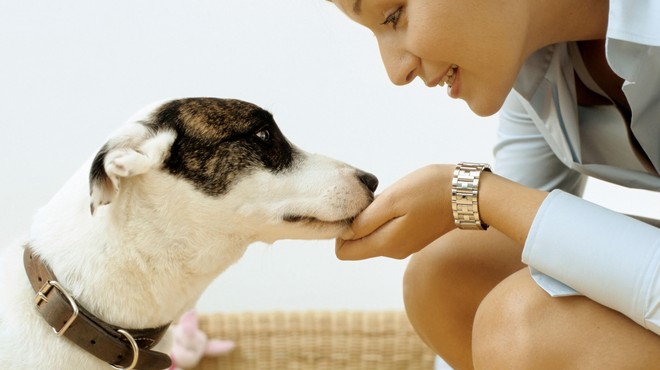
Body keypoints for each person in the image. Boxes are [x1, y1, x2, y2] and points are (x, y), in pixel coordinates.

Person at [328, 0, 660, 368]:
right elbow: (526, 233)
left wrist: (472, 191)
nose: (396, 70)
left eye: (394, 15)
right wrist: (476, 198)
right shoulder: (539, 63)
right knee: (446, 272)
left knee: (528, 326)